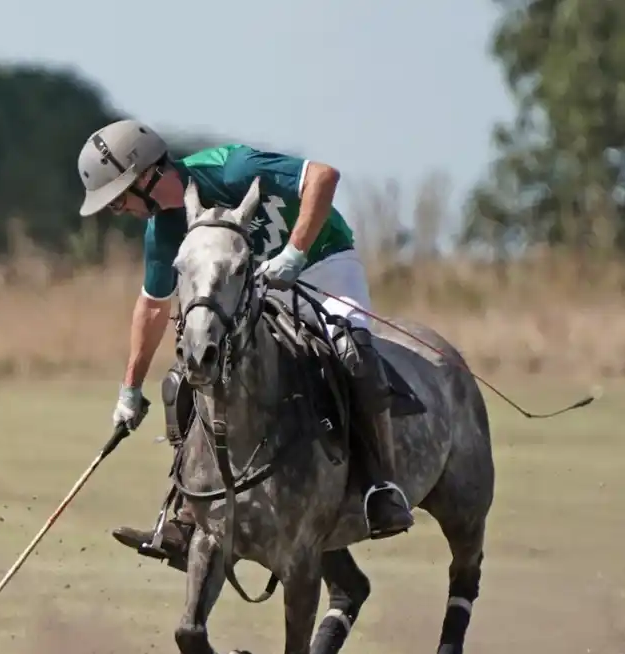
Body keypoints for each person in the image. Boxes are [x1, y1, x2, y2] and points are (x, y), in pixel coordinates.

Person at [75, 119, 414, 558]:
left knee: (353, 353)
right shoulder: (164, 231)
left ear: (143, 176)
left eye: (117, 200)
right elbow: (153, 306)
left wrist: (294, 251)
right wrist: (130, 389)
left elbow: (323, 177)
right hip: (249, 288)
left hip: (321, 260)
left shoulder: (232, 169)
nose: (117, 211)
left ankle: (381, 487)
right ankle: (185, 511)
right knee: (184, 378)